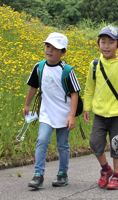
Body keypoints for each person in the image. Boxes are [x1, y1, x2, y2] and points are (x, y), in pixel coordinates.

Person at [23, 32, 81, 189]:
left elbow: (75, 94)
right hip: (46, 113)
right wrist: (27, 105)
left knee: (62, 145)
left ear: (63, 52)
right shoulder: (39, 67)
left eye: (54, 48)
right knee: (42, 140)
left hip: (64, 114)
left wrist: (71, 116)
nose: (49, 50)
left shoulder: (67, 71)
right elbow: (33, 87)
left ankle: (62, 174)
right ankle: (38, 175)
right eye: (47, 46)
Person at [83, 25, 118, 190]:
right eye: (103, 42)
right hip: (99, 114)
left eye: (111, 42)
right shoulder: (94, 65)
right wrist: (86, 107)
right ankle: (106, 170)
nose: (106, 46)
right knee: (94, 142)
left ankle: (117, 178)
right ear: (98, 43)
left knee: (117, 145)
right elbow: (89, 88)